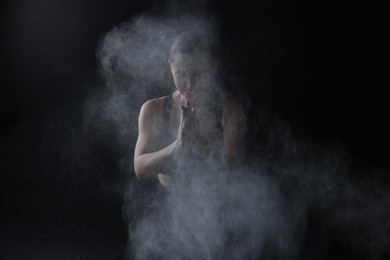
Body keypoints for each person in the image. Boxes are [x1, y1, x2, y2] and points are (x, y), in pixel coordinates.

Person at [133, 32, 246, 188]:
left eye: (198, 74)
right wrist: (177, 148)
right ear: (170, 66)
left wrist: (202, 149)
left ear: (211, 67)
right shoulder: (154, 109)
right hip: (167, 206)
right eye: (182, 74)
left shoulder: (230, 112)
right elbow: (140, 168)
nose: (190, 83)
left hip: (219, 204)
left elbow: (236, 172)